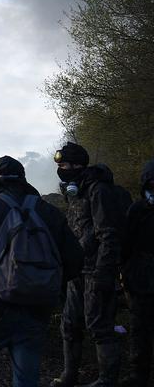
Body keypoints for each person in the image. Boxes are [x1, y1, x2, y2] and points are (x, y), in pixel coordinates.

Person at [0, 156, 83, 387]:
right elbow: (75, 260)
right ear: (23, 178)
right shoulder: (47, 211)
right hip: (36, 308)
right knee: (26, 375)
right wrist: (50, 289)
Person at [52, 142, 126, 387]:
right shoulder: (77, 191)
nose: (60, 169)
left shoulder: (98, 191)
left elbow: (108, 235)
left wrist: (106, 273)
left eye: (63, 165)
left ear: (77, 165)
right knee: (70, 323)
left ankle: (106, 380)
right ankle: (69, 374)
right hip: (78, 270)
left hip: (97, 270)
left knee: (99, 325)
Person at [120, 159, 154, 387]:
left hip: (141, 275)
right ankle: (138, 375)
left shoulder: (138, 209)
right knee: (140, 329)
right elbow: (126, 245)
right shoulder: (138, 210)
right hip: (142, 278)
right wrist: (125, 273)